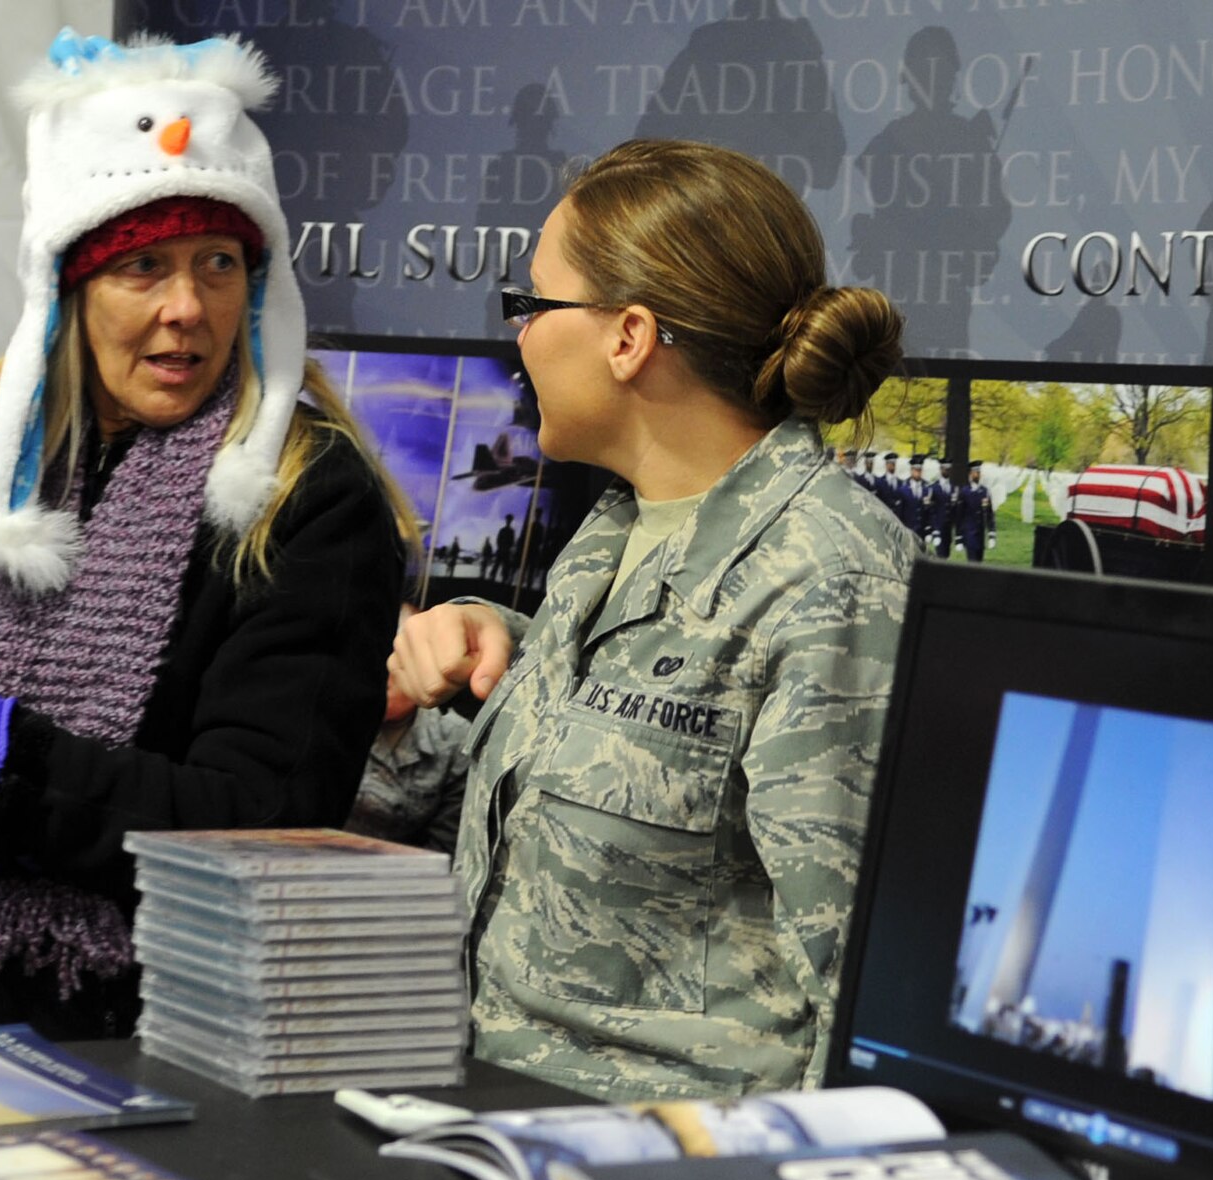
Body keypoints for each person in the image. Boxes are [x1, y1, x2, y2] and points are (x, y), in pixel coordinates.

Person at [0, 29, 412, 1040]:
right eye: (144, 267)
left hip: (150, 1034)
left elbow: (260, 815)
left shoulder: (308, 502)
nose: (186, 309)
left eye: (218, 263)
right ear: (69, 289)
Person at [388, 139, 913, 1101]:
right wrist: (473, 642)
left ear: (628, 337)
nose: (520, 336)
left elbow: (862, 1001)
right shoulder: (613, 535)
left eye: (534, 306)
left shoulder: (832, 579)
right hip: (489, 1134)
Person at [346, 608, 471, 856]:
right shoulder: (332, 717)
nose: (385, 667)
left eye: (397, 656)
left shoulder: (452, 741)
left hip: (399, 881)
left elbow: (444, 849)